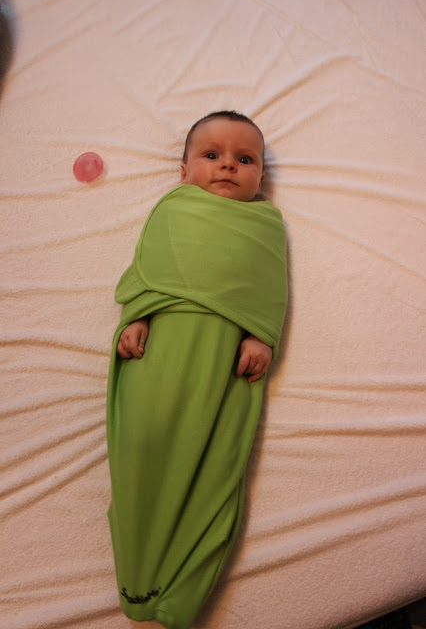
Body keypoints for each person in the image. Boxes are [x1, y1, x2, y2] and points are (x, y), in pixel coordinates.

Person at [106, 111, 288, 629]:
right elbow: (149, 269)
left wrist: (261, 334)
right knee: (141, 447)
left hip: (225, 354)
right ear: (184, 171)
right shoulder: (172, 209)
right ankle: (138, 575)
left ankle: (180, 592)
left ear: (260, 177)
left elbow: (268, 284)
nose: (228, 165)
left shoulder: (265, 224)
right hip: (159, 346)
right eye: (212, 155)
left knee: (215, 462)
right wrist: (136, 317)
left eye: (244, 159)